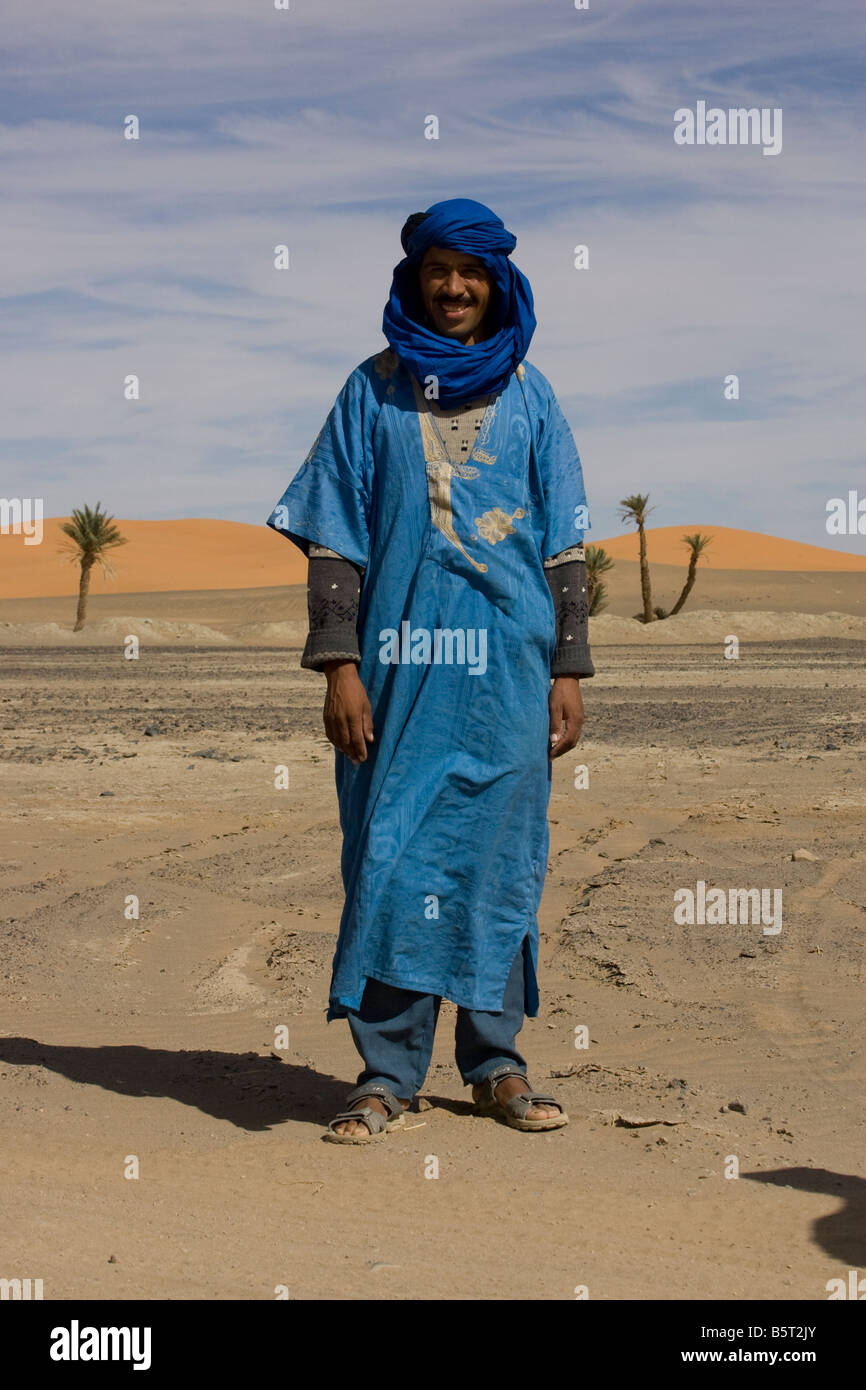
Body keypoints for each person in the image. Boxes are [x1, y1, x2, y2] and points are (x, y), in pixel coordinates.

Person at [266, 197, 594, 1143]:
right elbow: (334, 540)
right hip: (398, 674)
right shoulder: (372, 391)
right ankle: (385, 1073)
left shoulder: (533, 399)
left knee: (498, 862)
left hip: (508, 676)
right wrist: (338, 664)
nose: (454, 287)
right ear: (413, 278)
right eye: (438, 270)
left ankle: (495, 1065)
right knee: (393, 856)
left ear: (499, 284)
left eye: (473, 272)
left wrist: (568, 670)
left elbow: (565, 550)